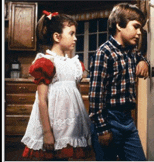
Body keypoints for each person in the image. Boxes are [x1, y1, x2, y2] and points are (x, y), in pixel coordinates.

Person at [21, 10, 91, 161]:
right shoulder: (46, 63)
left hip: (69, 128)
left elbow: (76, 97)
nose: (75, 38)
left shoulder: (75, 65)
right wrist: (47, 133)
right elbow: (41, 100)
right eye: (71, 33)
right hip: (52, 128)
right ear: (57, 37)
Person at [89, 3, 149, 161]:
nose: (139, 33)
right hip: (109, 119)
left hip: (127, 119)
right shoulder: (104, 52)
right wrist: (102, 129)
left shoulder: (131, 51)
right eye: (135, 27)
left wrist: (144, 62)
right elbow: (95, 96)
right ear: (119, 25)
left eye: (140, 28)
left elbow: (140, 57)